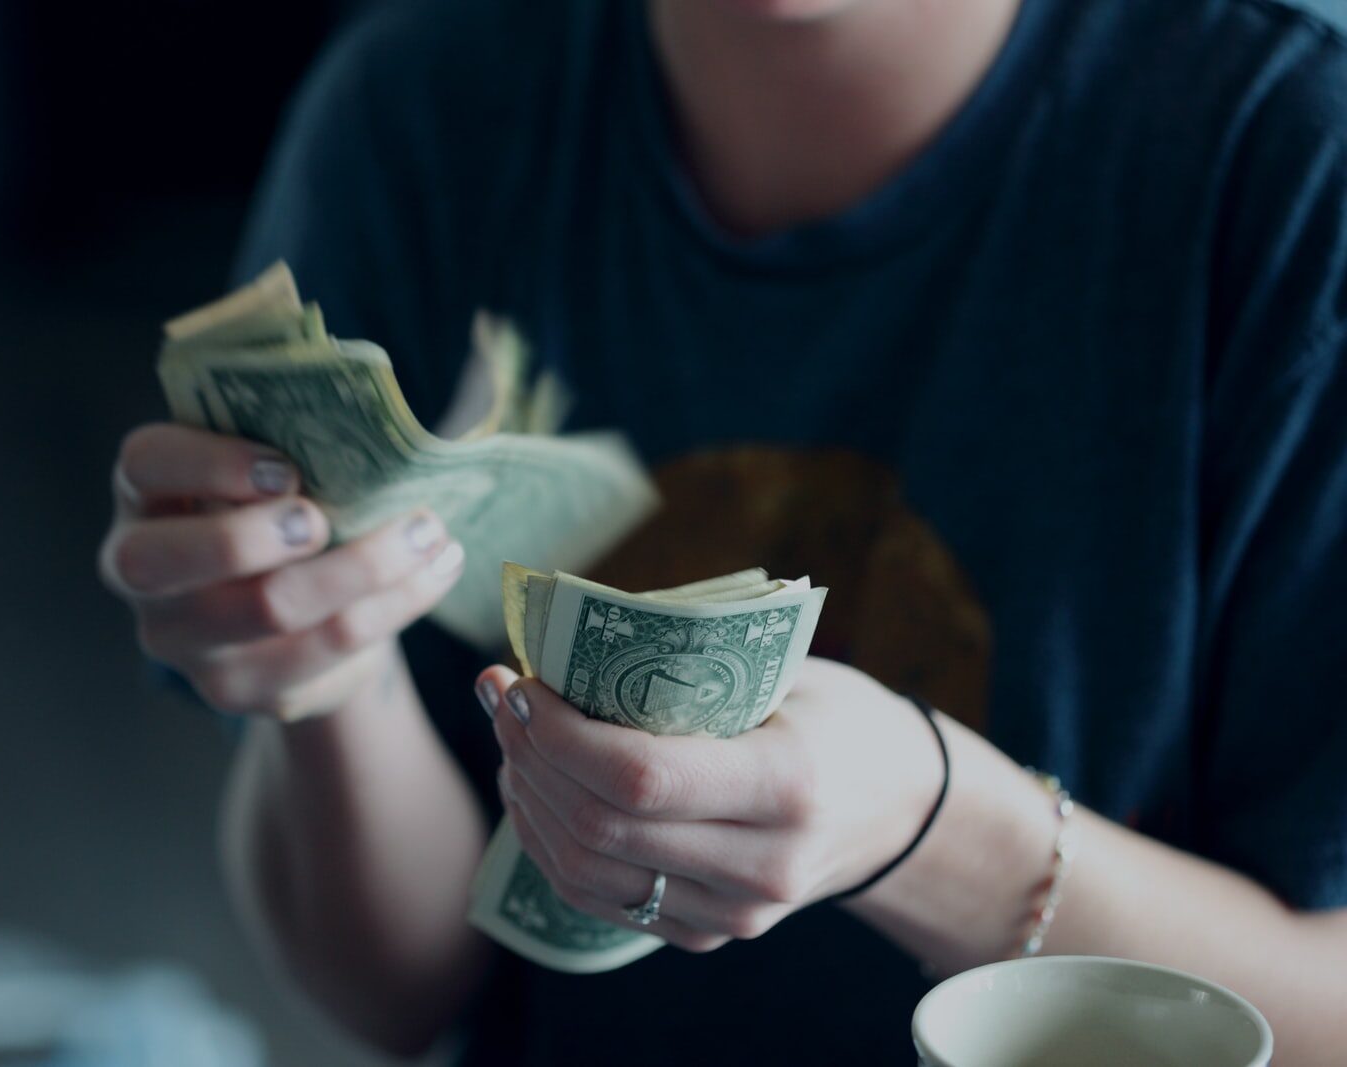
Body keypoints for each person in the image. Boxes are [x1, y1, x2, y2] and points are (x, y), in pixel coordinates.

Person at [98, 0, 1347, 1062]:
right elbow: (400, 989)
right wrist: (326, 677)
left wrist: (935, 826)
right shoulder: (423, 106)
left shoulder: (1287, 166)